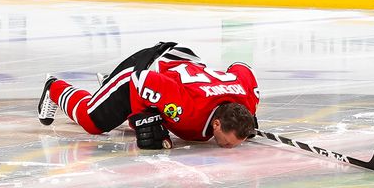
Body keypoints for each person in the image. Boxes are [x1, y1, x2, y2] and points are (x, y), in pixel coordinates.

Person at [36, 41, 260, 150]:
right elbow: (141, 81)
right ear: (217, 123)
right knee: (93, 121)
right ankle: (54, 87)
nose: (232, 147)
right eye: (230, 142)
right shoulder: (187, 109)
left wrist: (249, 119)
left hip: (179, 67)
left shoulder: (247, 101)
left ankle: (107, 84)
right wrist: (142, 121)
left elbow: (242, 69)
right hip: (145, 67)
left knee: (156, 103)